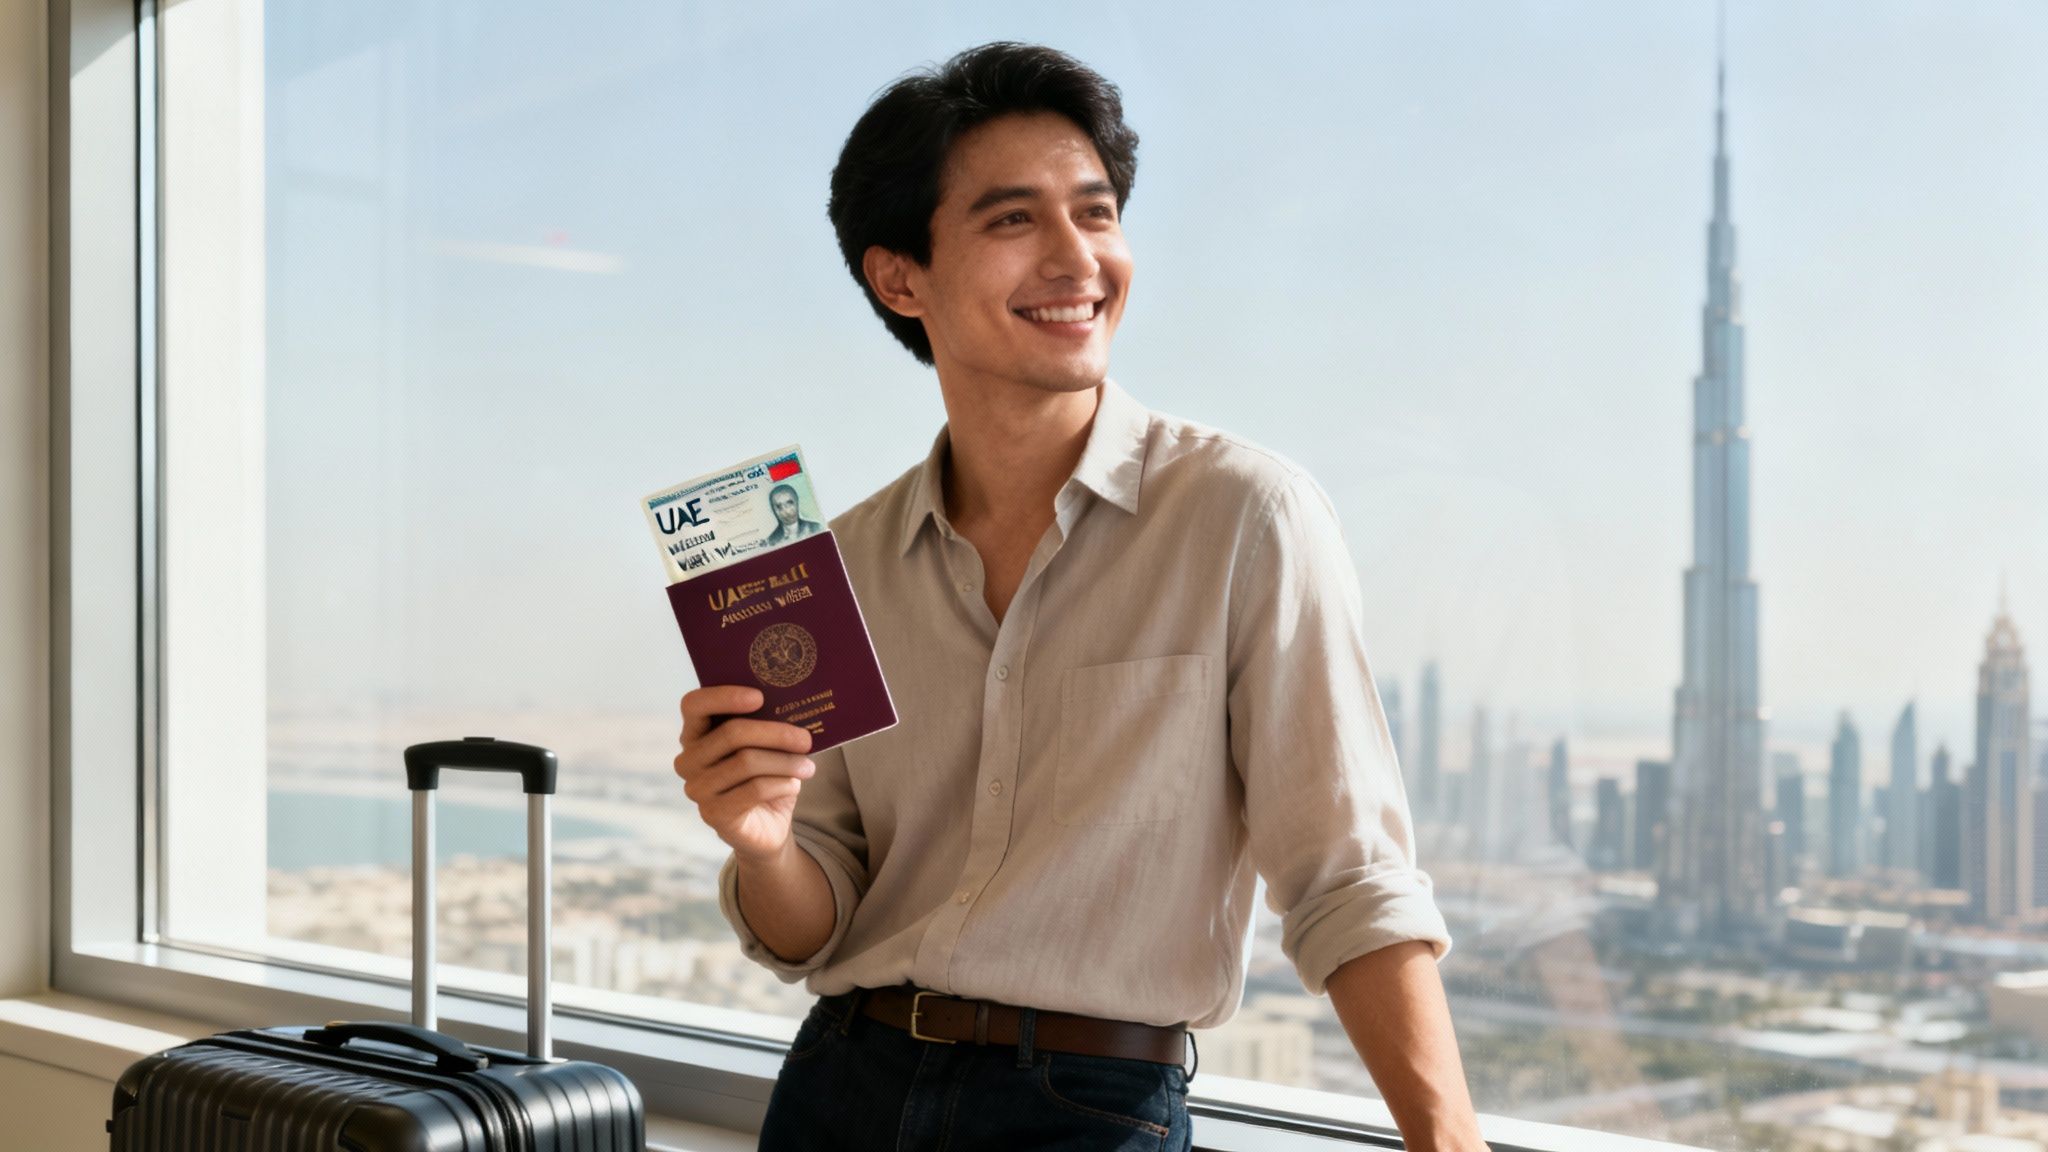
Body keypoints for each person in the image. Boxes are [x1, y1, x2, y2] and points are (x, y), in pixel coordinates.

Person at [674, 41, 1487, 1151]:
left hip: (1086, 1116)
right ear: (898, 277)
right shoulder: (838, 566)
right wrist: (761, 844)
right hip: (837, 1092)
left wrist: (1448, 1143)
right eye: (1013, 221)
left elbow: (1347, 879)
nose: (1078, 260)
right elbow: (812, 928)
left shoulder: (1244, 516)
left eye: (1095, 215)